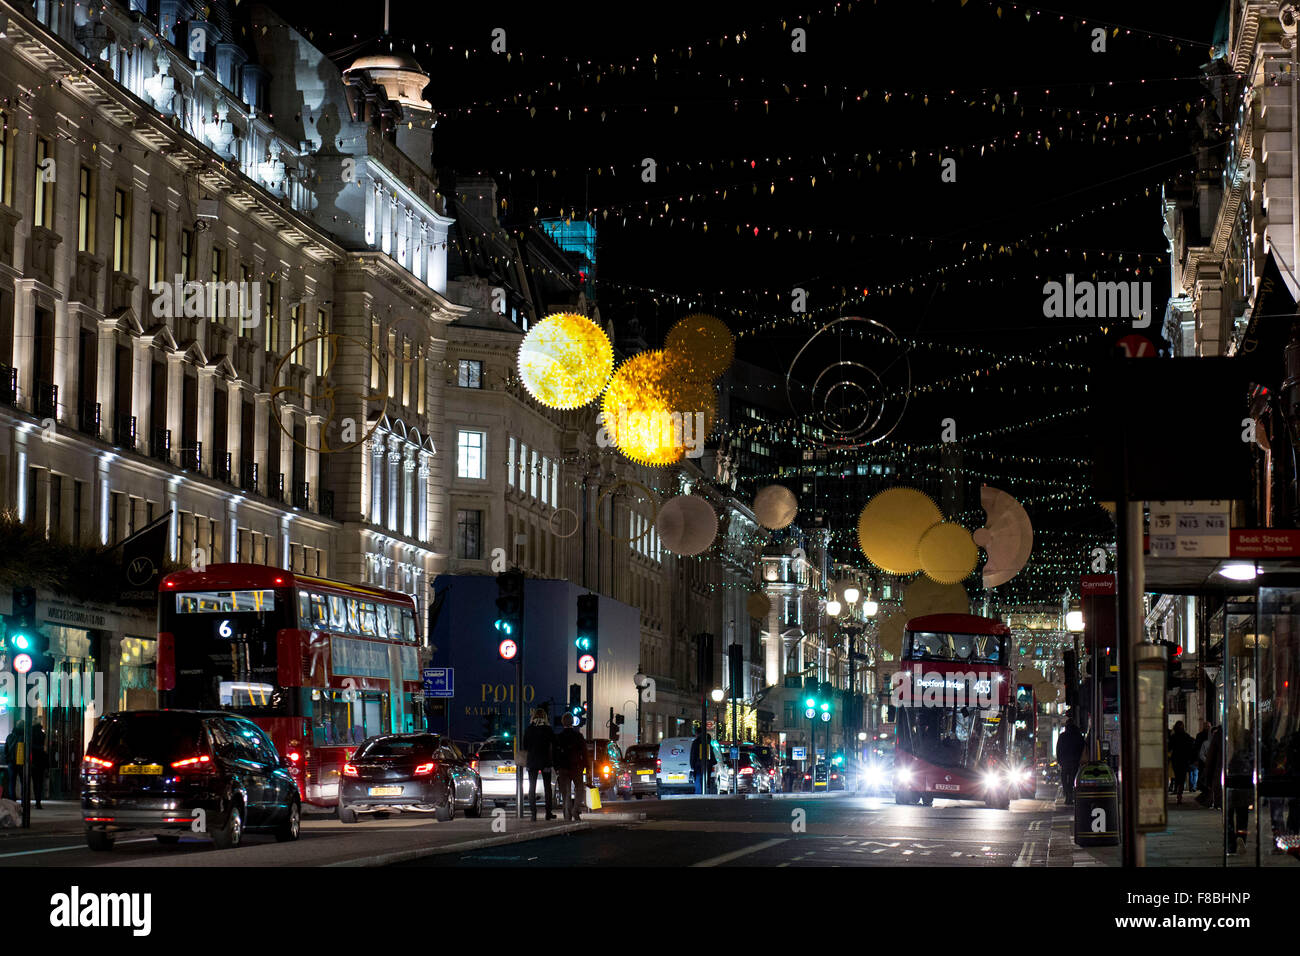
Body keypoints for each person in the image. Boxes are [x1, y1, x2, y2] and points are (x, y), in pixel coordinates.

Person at [521, 707, 555, 821]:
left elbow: (525, 745)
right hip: (545, 761)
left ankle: (533, 814)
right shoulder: (548, 729)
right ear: (545, 717)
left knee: (532, 787)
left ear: (533, 717)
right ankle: (548, 813)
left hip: (532, 761)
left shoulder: (529, 729)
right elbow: (554, 744)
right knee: (547, 788)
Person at [553, 714, 587, 821]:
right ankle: (575, 810)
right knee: (579, 789)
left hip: (563, 768)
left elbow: (554, 753)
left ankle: (567, 816)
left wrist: (556, 767)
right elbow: (584, 753)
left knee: (565, 793)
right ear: (573, 722)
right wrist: (585, 766)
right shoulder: (578, 736)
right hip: (576, 767)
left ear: (563, 723)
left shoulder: (558, 737)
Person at [1056, 717, 1085, 805]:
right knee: (1073, 779)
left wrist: (1060, 761)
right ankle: (1071, 794)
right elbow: (1082, 748)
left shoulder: (1062, 736)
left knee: (1064, 778)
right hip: (1075, 761)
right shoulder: (1078, 735)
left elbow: (1058, 749)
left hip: (1065, 762)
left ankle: (1067, 794)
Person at [1168, 720, 1197, 804]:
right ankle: (1179, 794)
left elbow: (1169, 747)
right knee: (1182, 777)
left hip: (1176, 759)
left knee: (1177, 776)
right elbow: (1191, 748)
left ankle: (1178, 792)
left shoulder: (1174, 737)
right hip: (1184, 760)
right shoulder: (1186, 736)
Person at [690, 725, 716, 795]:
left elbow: (693, 754)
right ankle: (705, 791)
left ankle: (699, 793)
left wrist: (692, 765)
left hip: (698, 764)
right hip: (707, 764)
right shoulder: (707, 741)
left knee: (698, 778)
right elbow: (711, 752)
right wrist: (713, 761)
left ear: (697, 733)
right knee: (706, 778)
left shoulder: (696, 742)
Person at [4, 722, 23, 803]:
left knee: (12, 782)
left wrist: (7, 759)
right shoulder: (24, 736)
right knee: (23, 782)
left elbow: (6, 749)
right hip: (21, 762)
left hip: (11, 762)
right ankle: (23, 800)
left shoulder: (10, 736)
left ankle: (12, 800)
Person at [1191, 720, 1211, 792]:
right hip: (1202, 758)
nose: (1208, 728)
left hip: (1204, 757)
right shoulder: (1200, 736)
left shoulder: (1206, 735)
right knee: (1201, 772)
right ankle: (1203, 787)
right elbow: (1196, 747)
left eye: (1209, 726)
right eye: (1207, 726)